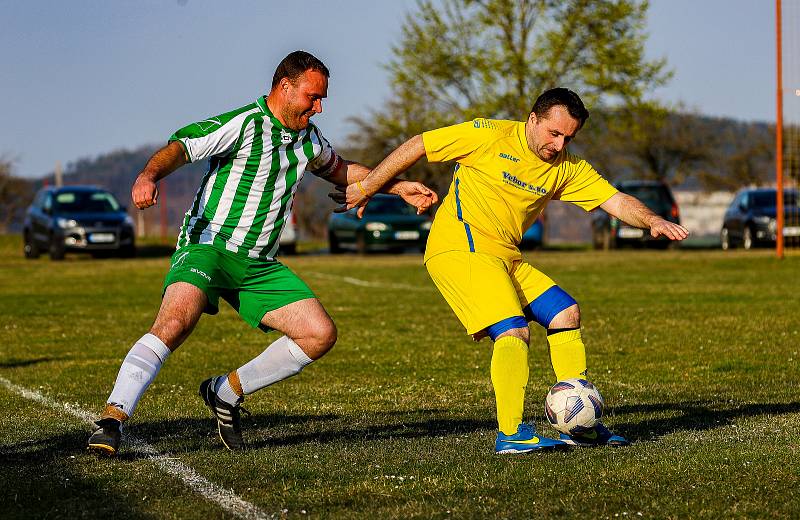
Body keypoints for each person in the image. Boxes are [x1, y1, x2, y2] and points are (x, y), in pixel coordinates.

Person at [87, 50, 437, 455]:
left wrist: (395, 185)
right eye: (313, 97)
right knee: (175, 323)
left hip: (258, 265)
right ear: (284, 88)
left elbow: (340, 169)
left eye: (322, 99)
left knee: (319, 333)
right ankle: (112, 420)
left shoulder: (308, 139)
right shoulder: (244, 124)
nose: (318, 107)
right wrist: (148, 175)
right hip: (209, 246)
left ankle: (226, 391)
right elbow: (182, 147)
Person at [338, 88, 689, 454]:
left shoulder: (565, 167)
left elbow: (614, 199)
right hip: (460, 247)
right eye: (554, 133)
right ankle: (511, 433)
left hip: (506, 256)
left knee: (566, 312)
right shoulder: (489, 135)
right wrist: (367, 186)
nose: (559, 144)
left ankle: (580, 422)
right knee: (513, 329)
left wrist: (651, 219)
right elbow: (419, 144)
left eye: (568, 137)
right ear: (533, 119)